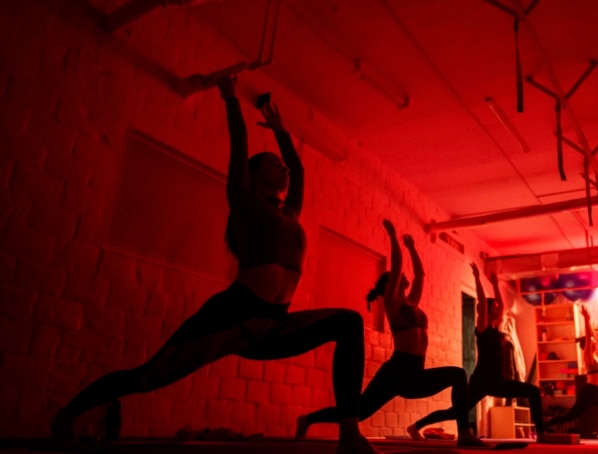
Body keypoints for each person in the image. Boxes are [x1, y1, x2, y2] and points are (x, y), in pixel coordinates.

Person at [50, 75, 380, 454]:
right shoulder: (244, 201)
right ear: (255, 176)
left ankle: (349, 435)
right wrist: (229, 99)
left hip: (274, 323)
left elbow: (300, 171)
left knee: (349, 322)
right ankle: (66, 414)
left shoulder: (291, 212)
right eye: (274, 164)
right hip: (231, 317)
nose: (284, 169)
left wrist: (281, 133)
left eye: (282, 165)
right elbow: (239, 146)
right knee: (147, 376)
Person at [295, 220, 485, 447]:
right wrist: (393, 237)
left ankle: (464, 434)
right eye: (397, 277)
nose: (403, 276)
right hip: (397, 371)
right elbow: (396, 266)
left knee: (458, 375)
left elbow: (421, 275)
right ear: (389, 286)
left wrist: (413, 248)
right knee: (360, 411)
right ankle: (308, 419)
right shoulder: (393, 303)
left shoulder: (412, 303)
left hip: (416, 372)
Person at [409, 263, 546, 440]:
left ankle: (541, 433)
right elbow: (482, 302)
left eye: (497, 308)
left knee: (533, 391)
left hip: (498, 382)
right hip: (481, 381)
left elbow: (502, 306)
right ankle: (415, 427)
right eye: (494, 308)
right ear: (486, 311)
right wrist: (477, 278)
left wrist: (496, 284)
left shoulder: (497, 329)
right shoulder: (482, 328)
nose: (498, 309)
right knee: (454, 412)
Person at [545, 305, 598, 439]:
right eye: (592, 342)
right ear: (587, 346)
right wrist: (585, 318)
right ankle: (542, 426)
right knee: (571, 415)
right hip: (590, 392)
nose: (595, 342)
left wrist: (589, 321)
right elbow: (590, 336)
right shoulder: (588, 356)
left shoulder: (595, 356)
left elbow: (592, 335)